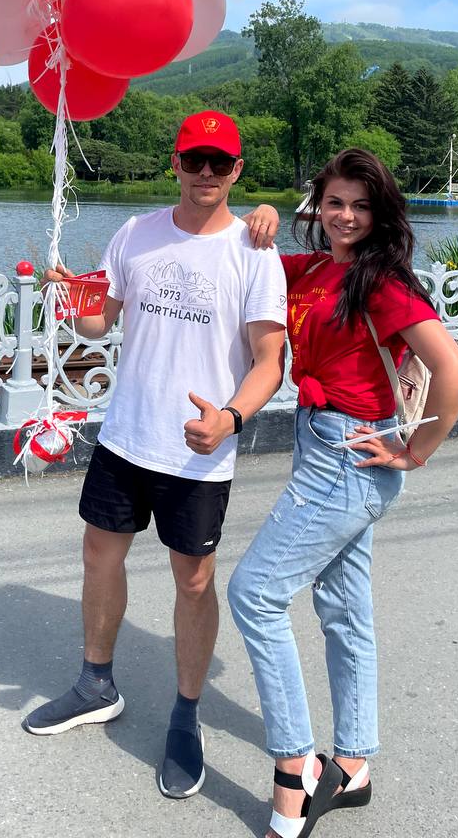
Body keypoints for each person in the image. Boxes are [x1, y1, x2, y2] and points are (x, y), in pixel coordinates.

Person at [22, 110, 288, 801]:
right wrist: (66, 295)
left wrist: (231, 418)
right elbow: (98, 322)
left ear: (237, 170)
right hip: (126, 435)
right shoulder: (135, 233)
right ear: (175, 163)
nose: (206, 173)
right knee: (98, 554)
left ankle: (186, 714)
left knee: (193, 582)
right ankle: (96, 683)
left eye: (220, 162)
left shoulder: (254, 252)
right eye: (194, 159)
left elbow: (270, 360)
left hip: (200, 448)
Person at [227, 149, 458, 838]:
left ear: (381, 214)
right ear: (318, 205)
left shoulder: (382, 282)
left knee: (254, 594)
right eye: (335, 202)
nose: (346, 216)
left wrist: (414, 451)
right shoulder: (311, 270)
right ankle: (354, 765)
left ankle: (296, 767)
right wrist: (258, 215)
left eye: (361, 206)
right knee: (344, 609)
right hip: (320, 441)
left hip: (348, 456)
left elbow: (454, 373)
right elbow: (230, 267)